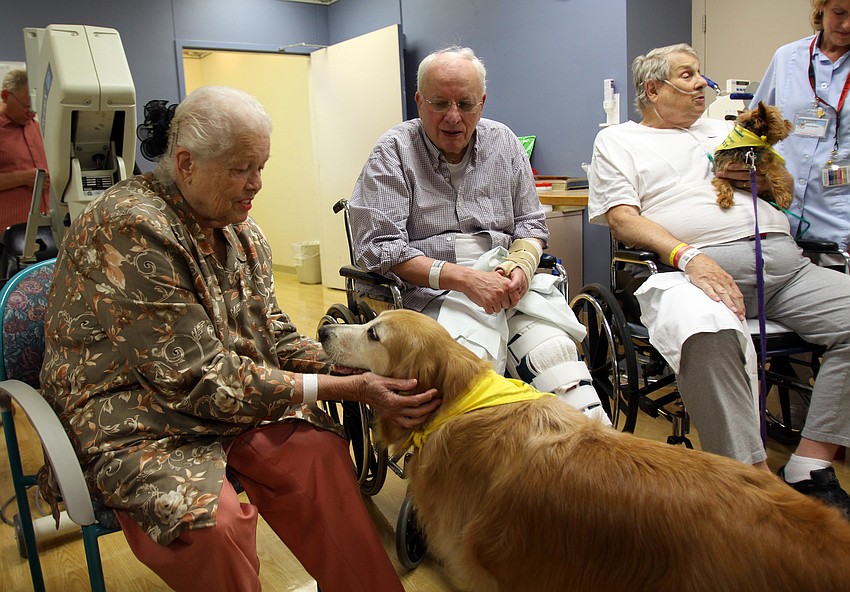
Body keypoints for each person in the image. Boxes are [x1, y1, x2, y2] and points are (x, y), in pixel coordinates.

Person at [38, 86, 440, 592]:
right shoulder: (131, 228)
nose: (257, 184)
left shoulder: (239, 233)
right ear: (185, 163)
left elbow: (271, 335)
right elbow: (196, 379)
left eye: (262, 167)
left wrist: (356, 366)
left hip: (231, 400)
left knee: (319, 456)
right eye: (241, 169)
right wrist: (349, 390)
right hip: (135, 413)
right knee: (217, 525)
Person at [587, 42, 850, 517]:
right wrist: (689, 257)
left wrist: (759, 182)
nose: (701, 85)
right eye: (687, 76)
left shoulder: (725, 129)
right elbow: (623, 219)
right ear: (653, 89)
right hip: (689, 271)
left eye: (700, 75)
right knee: (706, 333)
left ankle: (810, 463)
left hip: (785, 266)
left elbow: (776, 192)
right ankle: (748, 483)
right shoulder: (619, 140)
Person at [348, 46, 609, 424]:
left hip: (504, 281)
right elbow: (380, 249)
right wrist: (465, 280)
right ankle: (468, 472)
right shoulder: (393, 152)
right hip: (430, 289)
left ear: (482, 102)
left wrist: (520, 266)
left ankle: (590, 463)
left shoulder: (504, 143)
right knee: (470, 371)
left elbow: (531, 226)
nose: (454, 117)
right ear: (419, 101)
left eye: (466, 104)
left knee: (555, 358)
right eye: (440, 103)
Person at [751, 0, 850, 257]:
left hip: (840, 220)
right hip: (779, 216)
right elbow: (754, 126)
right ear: (821, 8)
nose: (847, 24)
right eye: (839, 13)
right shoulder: (788, 57)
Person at [0, 69, 49, 233]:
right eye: (27, 107)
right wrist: (22, 178)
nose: (32, 113)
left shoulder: (35, 127)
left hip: (44, 228)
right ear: (6, 96)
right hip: (8, 235)